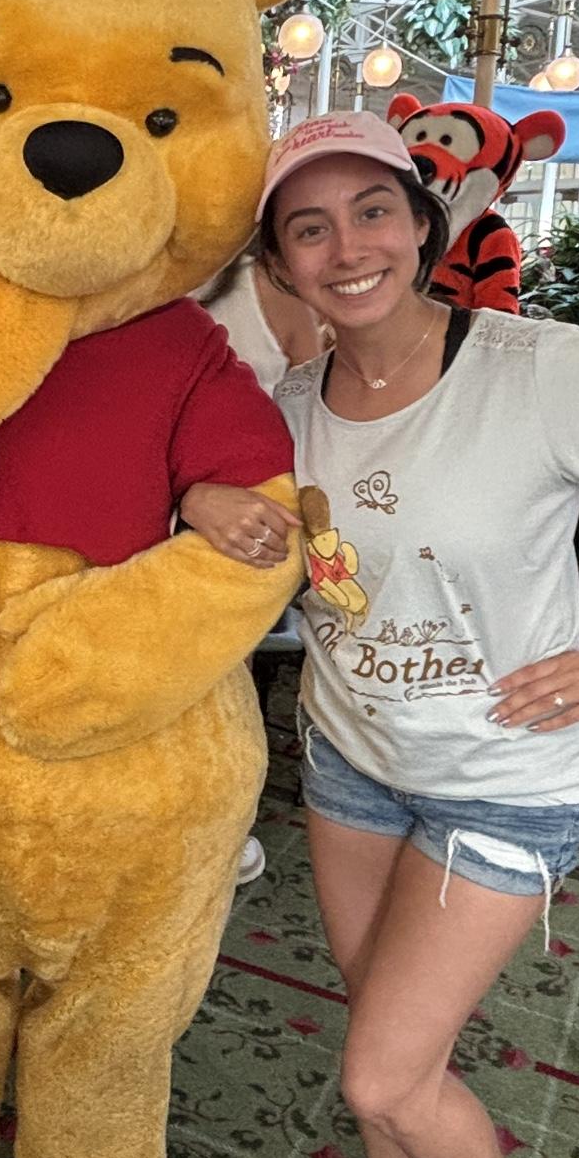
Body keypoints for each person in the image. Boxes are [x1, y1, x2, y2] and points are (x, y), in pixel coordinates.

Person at [182, 110, 579, 1158]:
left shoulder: (536, 368)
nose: (349, 248)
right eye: (310, 229)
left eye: (374, 211)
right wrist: (196, 492)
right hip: (351, 769)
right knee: (395, 1056)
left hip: (508, 782)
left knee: (380, 1079)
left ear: (424, 226)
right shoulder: (283, 410)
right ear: (277, 263)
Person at [203, 254, 327, 884]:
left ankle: (222, 828)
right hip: (156, 508)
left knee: (220, 681)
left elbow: (318, 417)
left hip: (245, 528)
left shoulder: (271, 287)